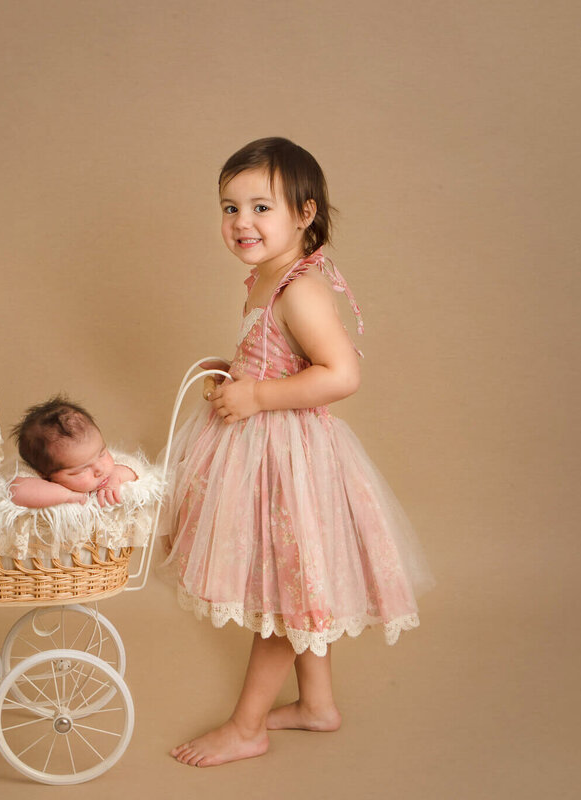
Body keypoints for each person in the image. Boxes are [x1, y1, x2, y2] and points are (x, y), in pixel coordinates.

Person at [162, 137, 434, 767]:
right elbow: (276, 355)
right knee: (299, 584)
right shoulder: (264, 277)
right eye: (230, 208)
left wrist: (258, 398)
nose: (241, 223)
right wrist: (236, 376)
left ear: (305, 214)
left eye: (261, 208)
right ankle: (316, 706)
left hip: (291, 459)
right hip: (264, 450)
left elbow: (339, 374)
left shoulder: (299, 288)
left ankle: (247, 725)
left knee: (287, 596)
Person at [9, 395, 137, 508]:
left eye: (102, 454)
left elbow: (134, 465)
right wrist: (67, 496)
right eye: (81, 470)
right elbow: (16, 491)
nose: (99, 469)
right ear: (44, 474)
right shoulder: (34, 474)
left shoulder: (95, 457)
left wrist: (116, 476)